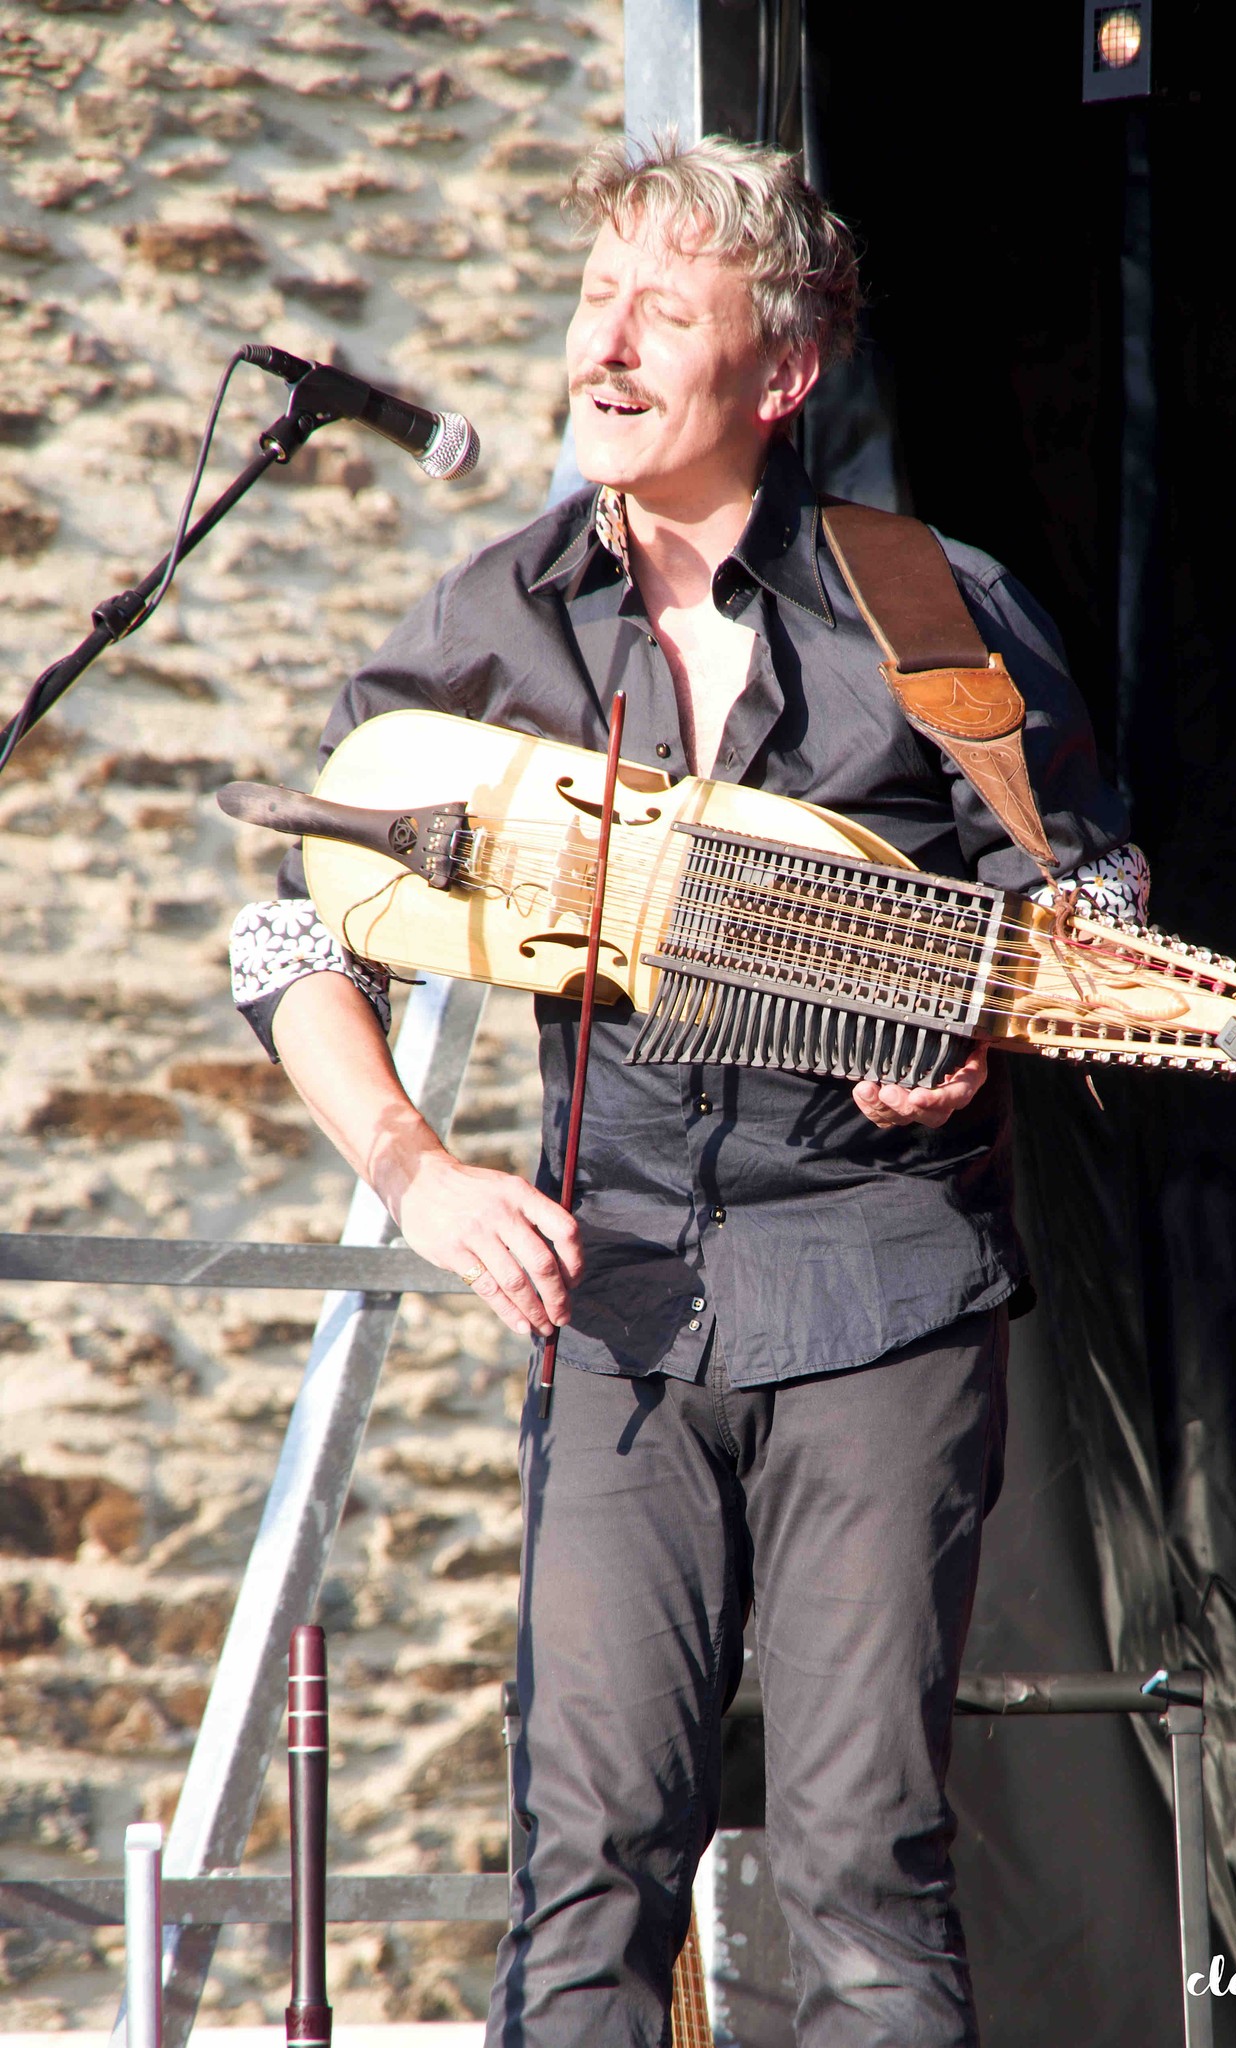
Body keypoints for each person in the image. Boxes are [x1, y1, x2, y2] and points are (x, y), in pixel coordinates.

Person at [230, 135, 1146, 2048]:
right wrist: (420, 1176)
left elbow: (1086, 896)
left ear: (781, 373)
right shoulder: (495, 625)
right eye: (594, 298)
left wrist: (978, 1031)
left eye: (666, 308)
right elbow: (283, 943)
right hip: (616, 1305)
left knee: (859, 1876)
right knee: (586, 1876)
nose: (608, 347)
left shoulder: (927, 606)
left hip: (882, 1291)